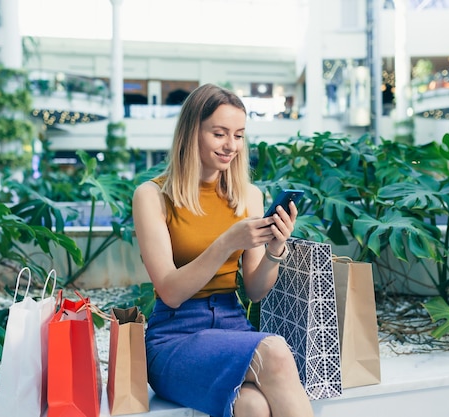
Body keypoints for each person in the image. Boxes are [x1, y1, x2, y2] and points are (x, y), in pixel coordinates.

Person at [132, 83, 313, 417]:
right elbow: (170, 292)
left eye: (239, 135)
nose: (231, 145)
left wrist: (275, 248)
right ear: (191, 133)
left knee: (254, 407)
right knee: (273, 351)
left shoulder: (249, 196)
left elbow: (256, 290)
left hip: (232, 325)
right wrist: (228, 242)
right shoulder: (152, 196)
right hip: (174, 337)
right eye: (219, 134)